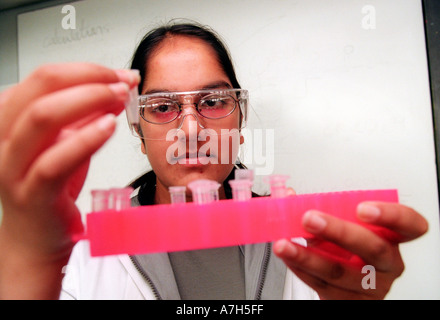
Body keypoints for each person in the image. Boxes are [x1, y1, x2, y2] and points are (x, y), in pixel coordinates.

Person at [0, 21, 428, 300]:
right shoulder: (82, 261)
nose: (191, 131)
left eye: (213, 101)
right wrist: (24, 257)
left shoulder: (310, 249)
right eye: (163, 106)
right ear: (137, 128)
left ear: (239, 120)